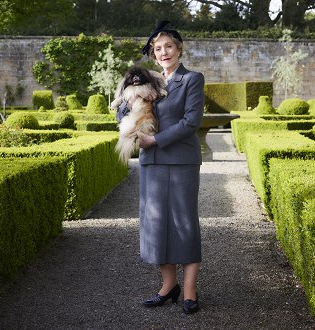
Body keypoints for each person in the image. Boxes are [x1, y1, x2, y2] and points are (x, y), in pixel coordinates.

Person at [116, 21, 205, 314]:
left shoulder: (192, 79)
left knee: (184, 223)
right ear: (153, 55)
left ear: (178, 49)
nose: (164, 52)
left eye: (169, 46)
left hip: (180, 161)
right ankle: (168, 287)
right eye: (158, 48)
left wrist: (154, 139)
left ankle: (190, 290)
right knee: (156, 225)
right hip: (152, 163)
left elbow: (191, 122)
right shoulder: (148, 80)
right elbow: (121, 109)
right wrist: (128, 109)